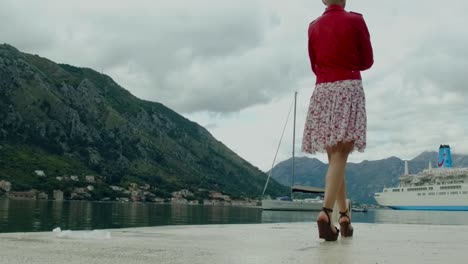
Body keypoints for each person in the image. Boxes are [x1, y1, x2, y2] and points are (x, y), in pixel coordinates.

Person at [302, 0, 373, 241]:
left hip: (322, 89)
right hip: (348, 85)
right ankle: (325, 213)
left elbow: (314, 64)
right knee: (341, 153)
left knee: (335, 156)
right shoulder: (355, 20)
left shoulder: (313, 26)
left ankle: (344, 217)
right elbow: (367, 61)